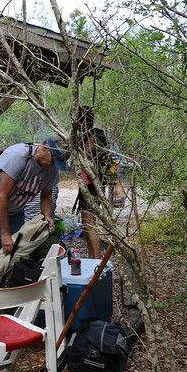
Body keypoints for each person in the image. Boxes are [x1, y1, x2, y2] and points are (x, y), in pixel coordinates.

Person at [0, 138, 67, 268]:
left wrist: (47, 216)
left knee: (16, 252)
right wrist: (5, 233)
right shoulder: (18, 156)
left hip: (14, 209)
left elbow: (46, 195)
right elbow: (1, 196)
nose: (52, 165)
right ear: (44, 148)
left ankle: (7, 287)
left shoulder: (52, 169)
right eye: (53, 160)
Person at [76, 105, 108, 258]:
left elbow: (85, 156)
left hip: (91, 184)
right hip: (91, 183)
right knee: (86, 222)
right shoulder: (92, 134)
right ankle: (91, 257)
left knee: (90, 222)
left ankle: (95, 258)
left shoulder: (93, 135)